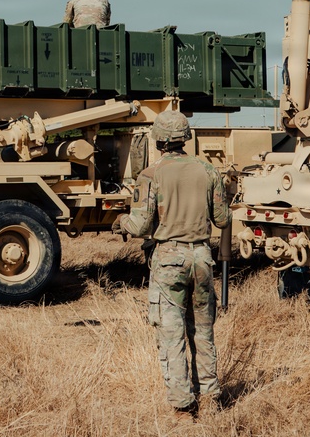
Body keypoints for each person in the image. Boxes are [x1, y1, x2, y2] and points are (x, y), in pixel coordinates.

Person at [112, 110, 228, 419]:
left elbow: (138, 225)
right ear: (185, 138)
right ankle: (210, 398)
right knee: (203, 331)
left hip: (169, 259)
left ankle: (181, 406)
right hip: (202, 257)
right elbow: (223, 219)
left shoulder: (151, 174)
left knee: (172, 333)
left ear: (159, 140)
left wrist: (120, 219)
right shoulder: (208, 171)